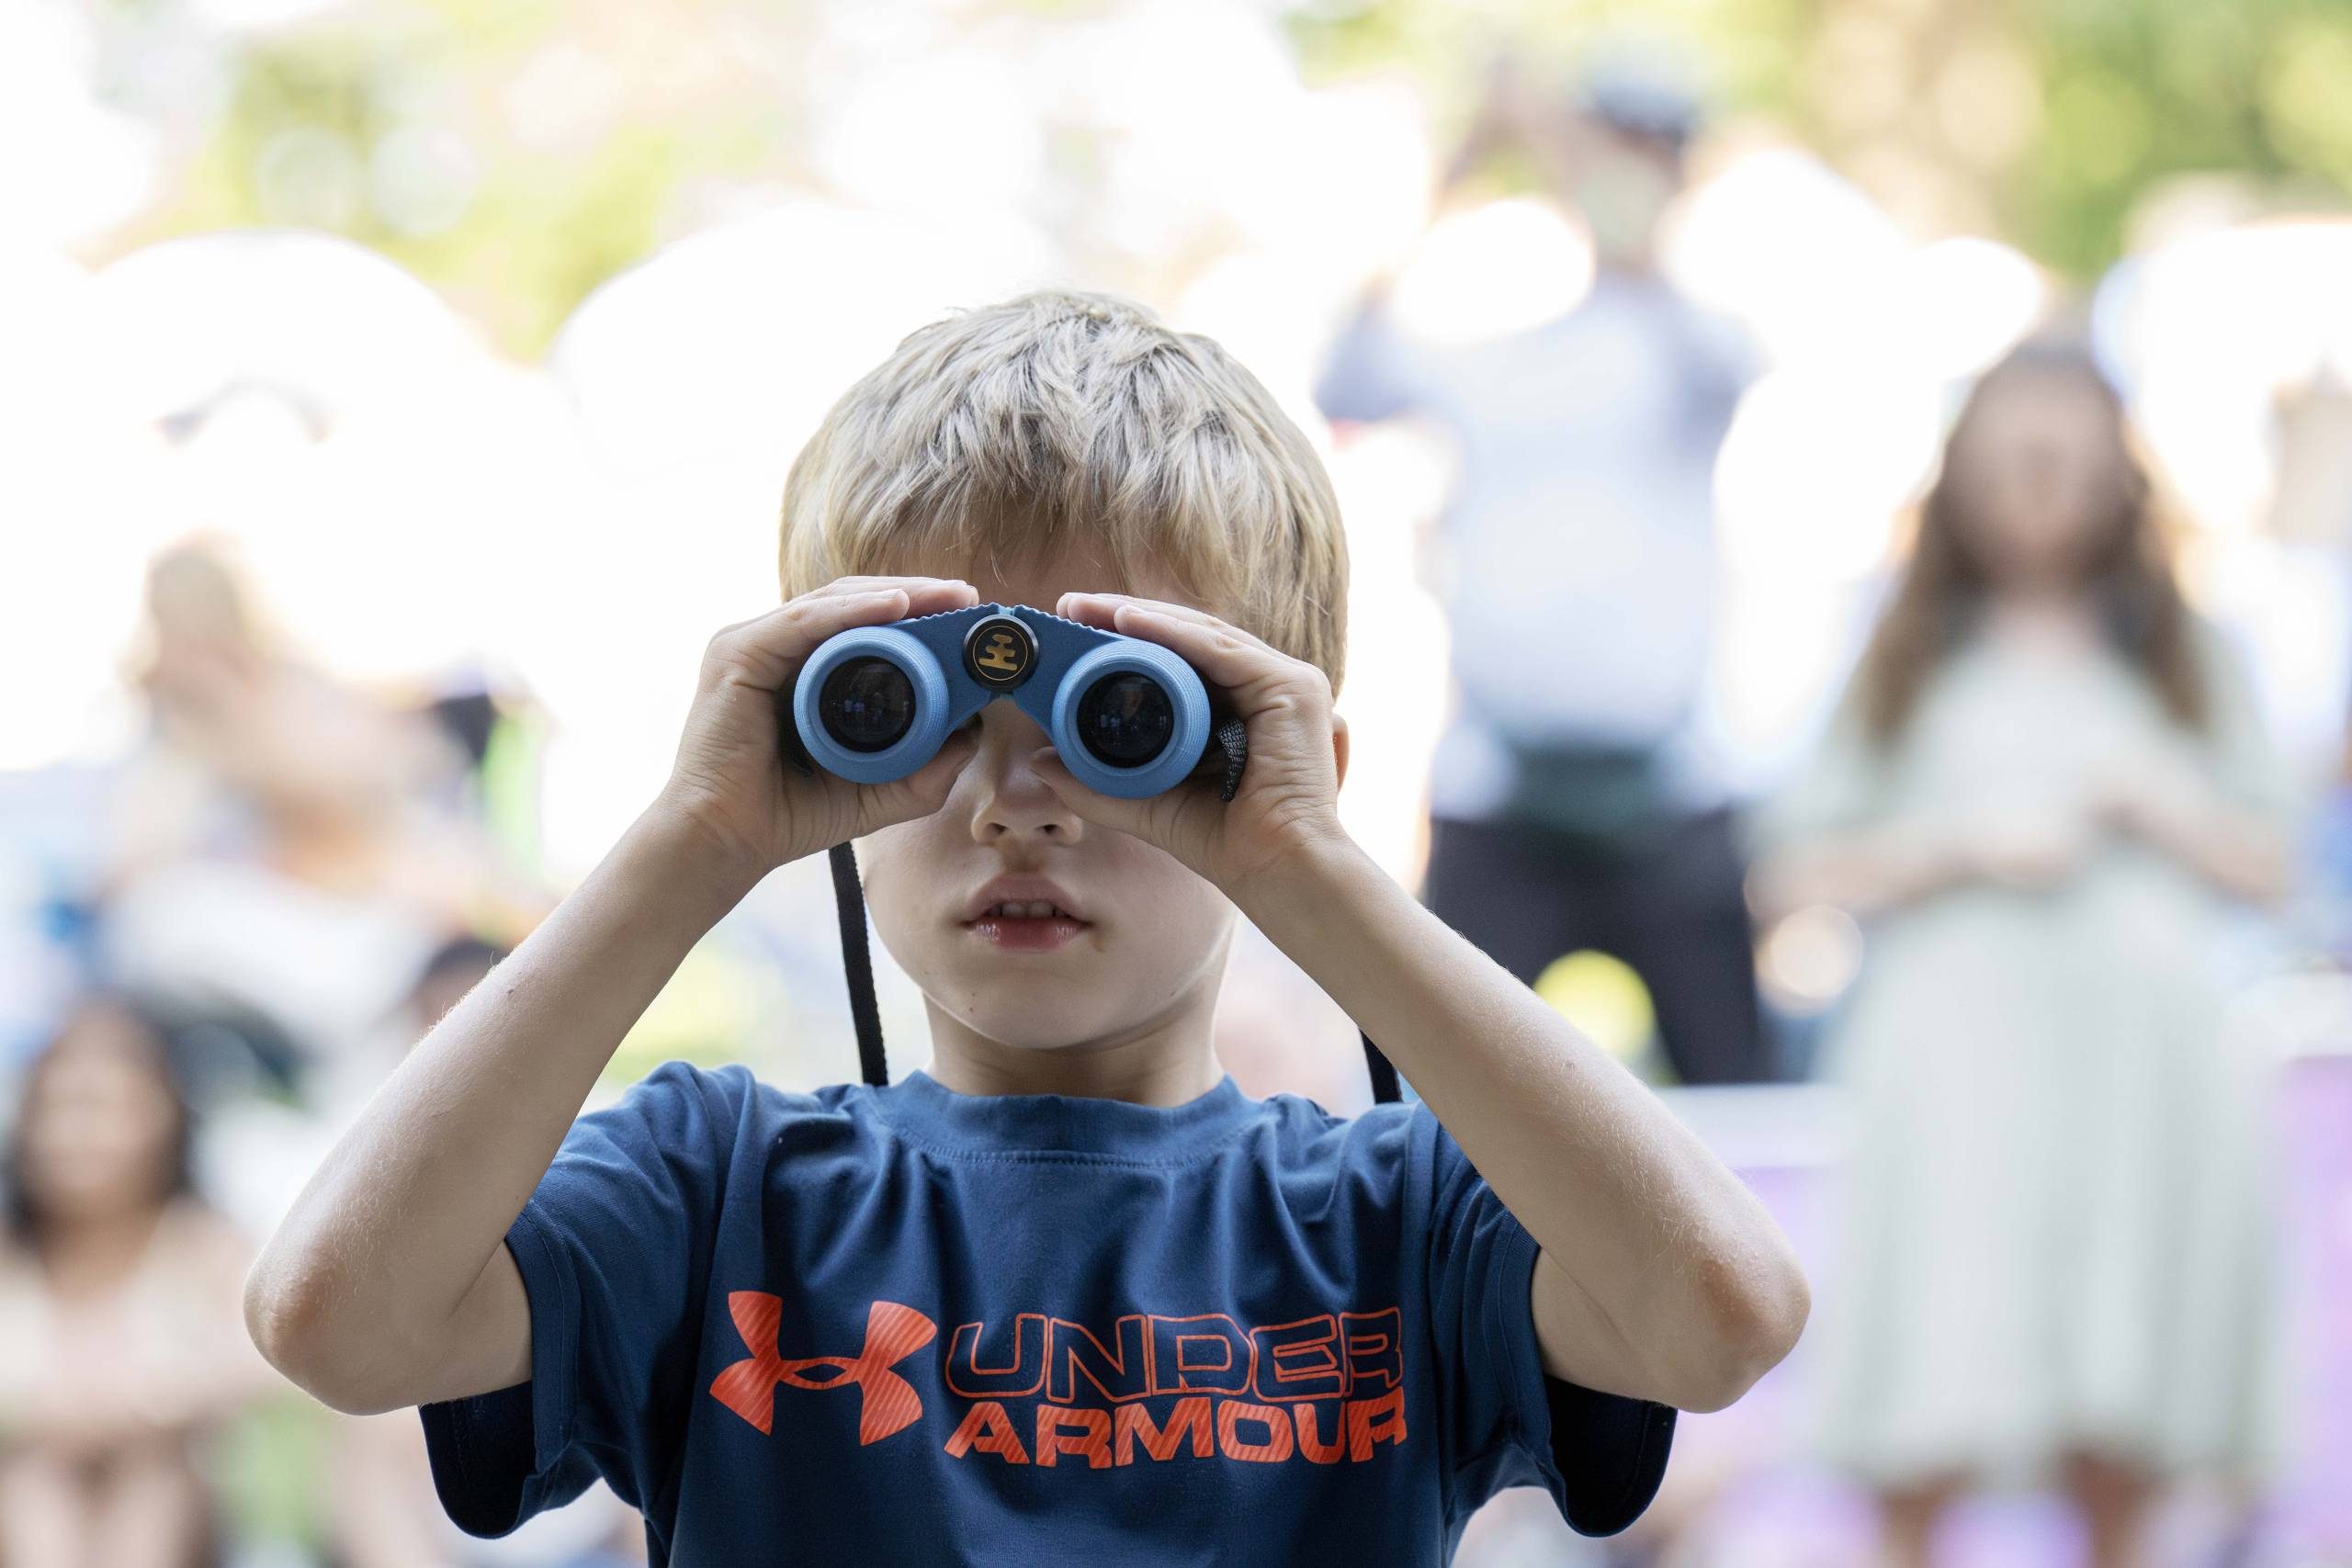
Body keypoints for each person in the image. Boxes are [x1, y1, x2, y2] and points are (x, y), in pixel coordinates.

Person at [244, 288, 1809, 1565]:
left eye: (1122, 722)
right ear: (815, 744)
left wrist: (1310, 867)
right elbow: (336, 1323)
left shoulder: (1398, 1214)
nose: (1018, 804)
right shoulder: (714, 1192)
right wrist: (693, 839)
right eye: (914, 716)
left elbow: (1723, 1314)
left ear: (1285, 762)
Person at [1747, 340, 2298, 1568]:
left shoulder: (2179, 649)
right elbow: (1792, 869)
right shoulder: (1906, 650)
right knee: (1928, 1392)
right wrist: (1956, 845)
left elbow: (2274, 859)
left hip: (2138, 1083)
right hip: (1959, 1085)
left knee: (2121, 1408)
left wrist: (2155, 803)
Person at [1315, 46, 1772, 1087]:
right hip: (1498, 794)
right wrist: (1461, 166)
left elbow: (1686, 317)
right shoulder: (1495, 352)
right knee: (1432, 1100)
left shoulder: (1696, 339)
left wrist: (1563, 146)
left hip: (1673, 794)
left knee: (1736, 1103)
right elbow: (1344, 380)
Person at [0, 994, 270, 1568]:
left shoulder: (207, 1248)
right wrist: (43, 1413)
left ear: (166, 1115)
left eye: (104, 1108)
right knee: (33, 1482)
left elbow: (271, 1369)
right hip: (24, 1500)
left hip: (182, 1508)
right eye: (59, 1107)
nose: (78, 1134)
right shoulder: (9, 1254)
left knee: (156, 1478)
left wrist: (152, 1404)